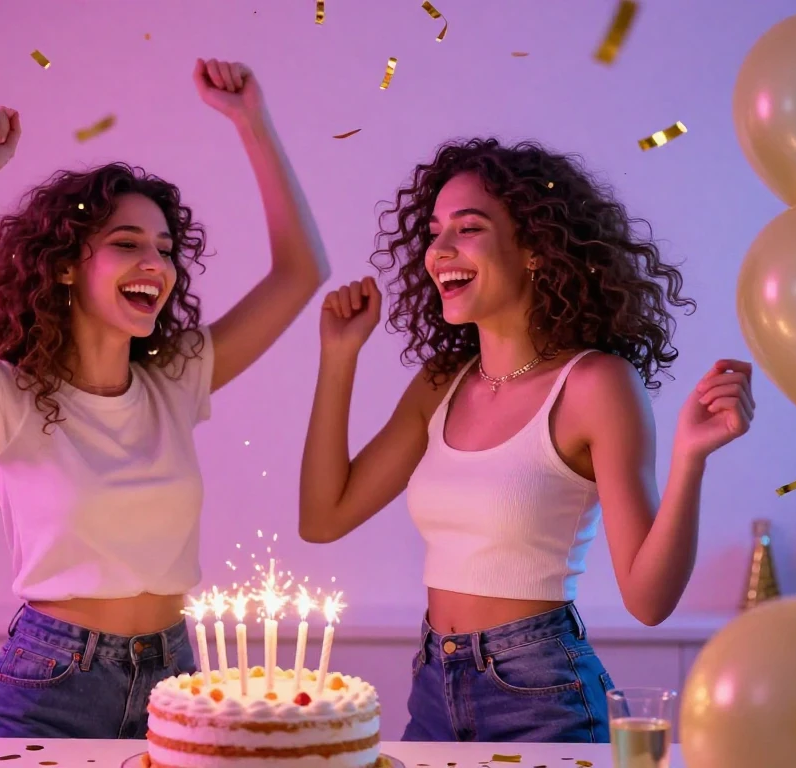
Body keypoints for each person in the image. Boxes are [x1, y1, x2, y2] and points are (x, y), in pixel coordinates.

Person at [0, 58, 330, 739]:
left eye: (165, 249)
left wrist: (252, 123)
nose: (155, 265)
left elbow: (300, 271)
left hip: (177, 678)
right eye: (127, 243)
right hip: (54, 684)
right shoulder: (7, 398)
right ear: (69, 264)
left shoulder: (177, 378)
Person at [298, 138, 754, 743]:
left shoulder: (595, 382)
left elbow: (649, 600)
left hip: (540, 693)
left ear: (535, 249)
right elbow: (323, 517)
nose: (440, 250)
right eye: (435, 232)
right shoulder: (441, 383)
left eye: (469, 228)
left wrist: (689, 458)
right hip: (433, 683)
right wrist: (338, 357)